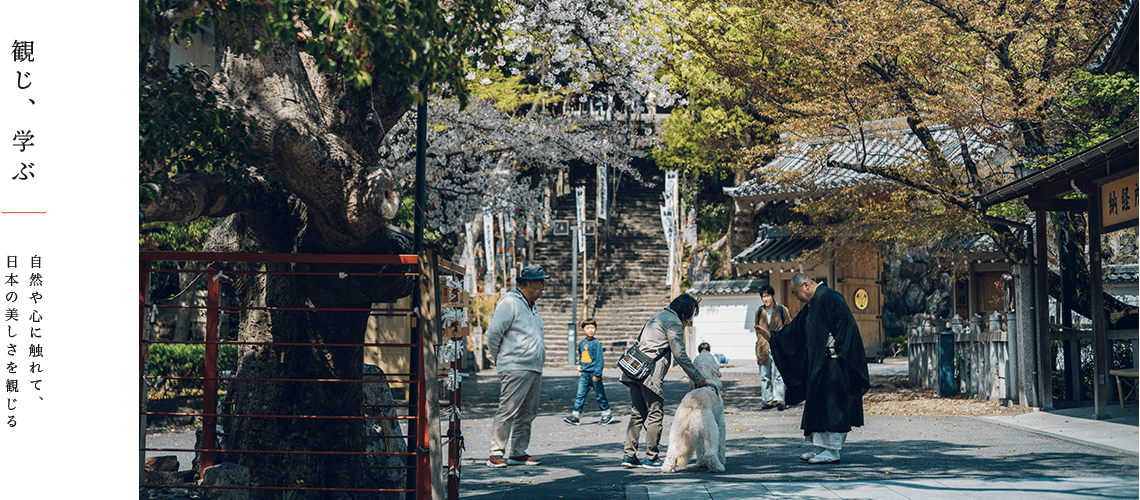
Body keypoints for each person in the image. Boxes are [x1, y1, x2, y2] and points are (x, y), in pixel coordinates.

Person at [757, 273, 870, 465]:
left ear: (805, 285)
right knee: (818, 406)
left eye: (795, 293)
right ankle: (821, 448)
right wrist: (773, 338)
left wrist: (838, 352)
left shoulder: (831, 298)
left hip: (835, 363)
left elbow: (847, 328)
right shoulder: (812, 304)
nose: (796, 297)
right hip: (821, 364)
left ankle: (833, 450)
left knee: (833, 408)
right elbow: (795, 331)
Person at [620, 293, 708, 470]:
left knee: (637, 413)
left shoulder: (658, 316)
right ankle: (651, 457)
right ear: (684, 312)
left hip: (633, 369)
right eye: (690, 314)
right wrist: (698, 378)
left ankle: (629, 456)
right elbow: (679, 354)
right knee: (655, 414)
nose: (690, 319)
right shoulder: (674, 322)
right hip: (649, 373)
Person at [485, 265, 550, 468]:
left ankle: (518, 452)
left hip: (533, 366)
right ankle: (496, 452)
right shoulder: (510, 302)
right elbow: (493, 334)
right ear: (529, 283)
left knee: (527, 413)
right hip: (515, 365)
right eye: (541, 282)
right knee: (508, 410)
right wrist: (501, 358)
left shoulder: (531, 305)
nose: (543, 286)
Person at [564, 318, 614, 425]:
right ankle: (575, 416)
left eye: (592, 328)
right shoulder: (582, 343)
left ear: (595, 329)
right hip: (584, 374)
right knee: (580, 395)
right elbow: (582, 356)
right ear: (583, 330)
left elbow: (600, 360)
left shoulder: (596, 344)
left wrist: (597, 374)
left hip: (594, 374)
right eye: (588, 328)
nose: (590, 330)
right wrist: (579, 365)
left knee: (600, 395)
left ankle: (606, 414)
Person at [754, 285, 792, 411]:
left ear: (773, 296)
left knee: (779, 373)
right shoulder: (759, 311)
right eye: (763, 296)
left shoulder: (782, 309)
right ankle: (767, 399)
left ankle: (779, 399)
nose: (765, 299)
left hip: (778, 345)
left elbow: (789, 327)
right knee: (764, 374)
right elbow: (757, 329)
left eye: (767, 296)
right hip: (763, 346)